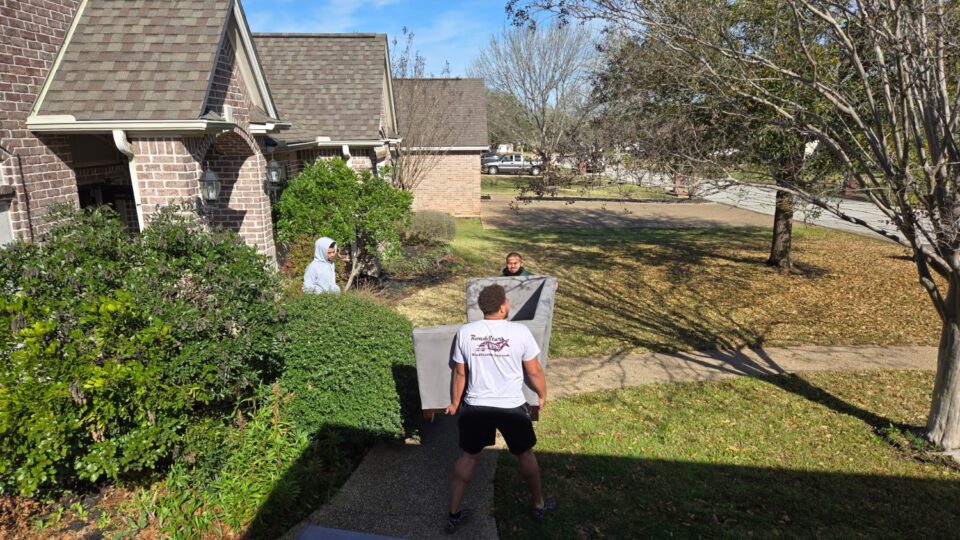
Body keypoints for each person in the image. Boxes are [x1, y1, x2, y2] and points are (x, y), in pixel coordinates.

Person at [444, 284, 554, 533]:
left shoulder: (466, 332)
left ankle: (454, 514)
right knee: (525, 454)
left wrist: (454, 402)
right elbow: (534, 370)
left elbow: (460, 373)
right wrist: (542, 394)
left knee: (469, 455)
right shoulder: (520, 332)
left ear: (483, 307)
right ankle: (538, 504)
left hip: (475, 406)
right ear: (504, 306)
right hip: (511, 407)